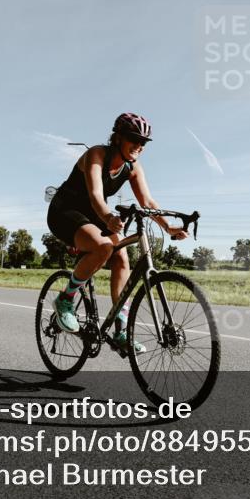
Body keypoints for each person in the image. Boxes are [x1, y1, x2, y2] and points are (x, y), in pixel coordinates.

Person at [47, 112, 188, 353]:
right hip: (65, 211)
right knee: (103, 246)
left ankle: (121, 331)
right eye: (134, 139)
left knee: (122, 257)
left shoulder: (132, 167)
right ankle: (65, 299)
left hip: (94, 216)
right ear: (118, 138)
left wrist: (169, 227)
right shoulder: (97, 155)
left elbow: (148, 201)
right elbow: (95, 196)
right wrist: (109, 218)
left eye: (144, 142)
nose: (139, 146)